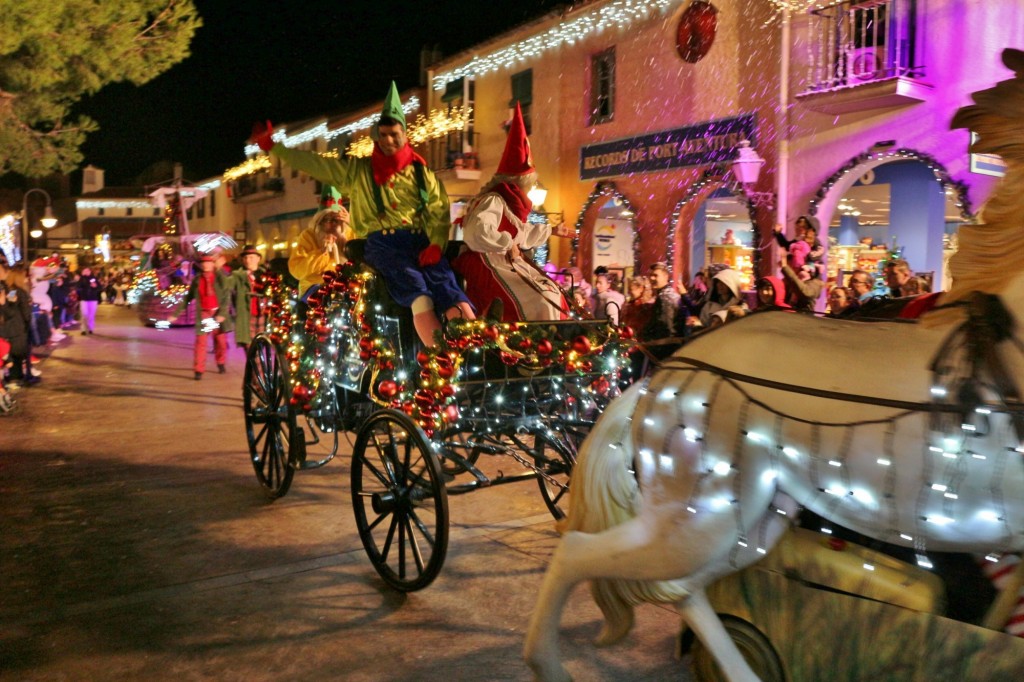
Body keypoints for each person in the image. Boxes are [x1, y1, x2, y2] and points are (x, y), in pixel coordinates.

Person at [253, 81, 474, 347]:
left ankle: (471, 350)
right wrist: (275, 149)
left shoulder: (422, 174)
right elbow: (317, 164)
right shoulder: (359, 172)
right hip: (383, 246)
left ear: (405, 134)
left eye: (394, 134)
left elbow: (438, 212)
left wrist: (437, 244)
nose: (389, 140)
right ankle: (440, 358)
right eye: (383, 134)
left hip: (420, 243)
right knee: (418, 293)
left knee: (449, 288)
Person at [451, 103, 567, 322]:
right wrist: (508, 243)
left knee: (552, 291)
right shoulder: (493, 200)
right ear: (519, 183)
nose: (532, 190)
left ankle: (551, 338)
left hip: (505, 260)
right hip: (487, 262)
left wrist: (551, 229)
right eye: (531, 184)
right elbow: (478, 233)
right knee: (537, 299)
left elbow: (521, 234)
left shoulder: (509, 204)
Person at [288, 186, 351, 300]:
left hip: (346, 285)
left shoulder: (350, 233)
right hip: (314, 287)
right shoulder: (308, 236)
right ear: (320, 221)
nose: (333, 224)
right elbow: (297, 270)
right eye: (328, 220)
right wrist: (322, 252)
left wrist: (353, 224)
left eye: (336, 220)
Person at [180, 254, 234, 380]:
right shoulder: (197, 279)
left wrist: (222, 313)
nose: (206, 265)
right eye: (203, 262)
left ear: (213, 264)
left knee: (220, 341)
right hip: (204, 314)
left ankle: (220, 362)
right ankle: (198, 370)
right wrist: (176, 313)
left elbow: (227, 291)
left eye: (209, 262)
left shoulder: (219, 276)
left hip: (217, 314)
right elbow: (188, 297)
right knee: (201, 343)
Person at [232, 244, 268, 352]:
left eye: (251, 257)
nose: (248, 260)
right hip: (246, 316)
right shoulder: (238, 275)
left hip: (262, 315)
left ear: (258, 259)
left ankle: (255, 368)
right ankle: (257, 369)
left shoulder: (265, 275)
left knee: (260, 346)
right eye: (245, 258)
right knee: (250, 348)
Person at [643, 262, 681, 340]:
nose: (652, 278)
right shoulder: (667, 294)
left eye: (655, 275)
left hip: (665, 345)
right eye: (651, 275)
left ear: (666, 277)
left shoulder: (665, 297)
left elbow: (665, 327)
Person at [76, 266, 101, 334]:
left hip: (93, 299)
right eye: (85, 271)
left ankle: (90, 328)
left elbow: (99, 287)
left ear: (90, 271)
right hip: (84, 299)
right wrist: (81, 278)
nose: (86, 272)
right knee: (84, 314)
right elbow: (78, 287)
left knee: (91, 314)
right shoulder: (81, 279)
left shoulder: (94, 278)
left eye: (87, 270)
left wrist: (95, 286)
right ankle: (83, 329)